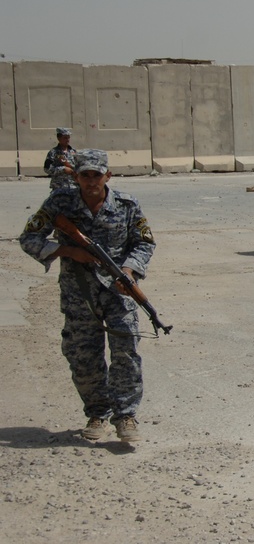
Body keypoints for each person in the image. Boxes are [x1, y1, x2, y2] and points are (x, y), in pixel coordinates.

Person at [19, 149, 155, 443]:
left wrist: (130, 271)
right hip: (78, 294)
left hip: (118, 293)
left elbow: (144, 243)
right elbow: (29, 238)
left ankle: (126, 416)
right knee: (83, 357)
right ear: (77, 176)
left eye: (97, 175)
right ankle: (97, 413)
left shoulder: (127, 205)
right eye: (85, 175)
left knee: (126, 354)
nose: (91, 181)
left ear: (108, 175)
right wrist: (68, 251)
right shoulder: (60, 203)